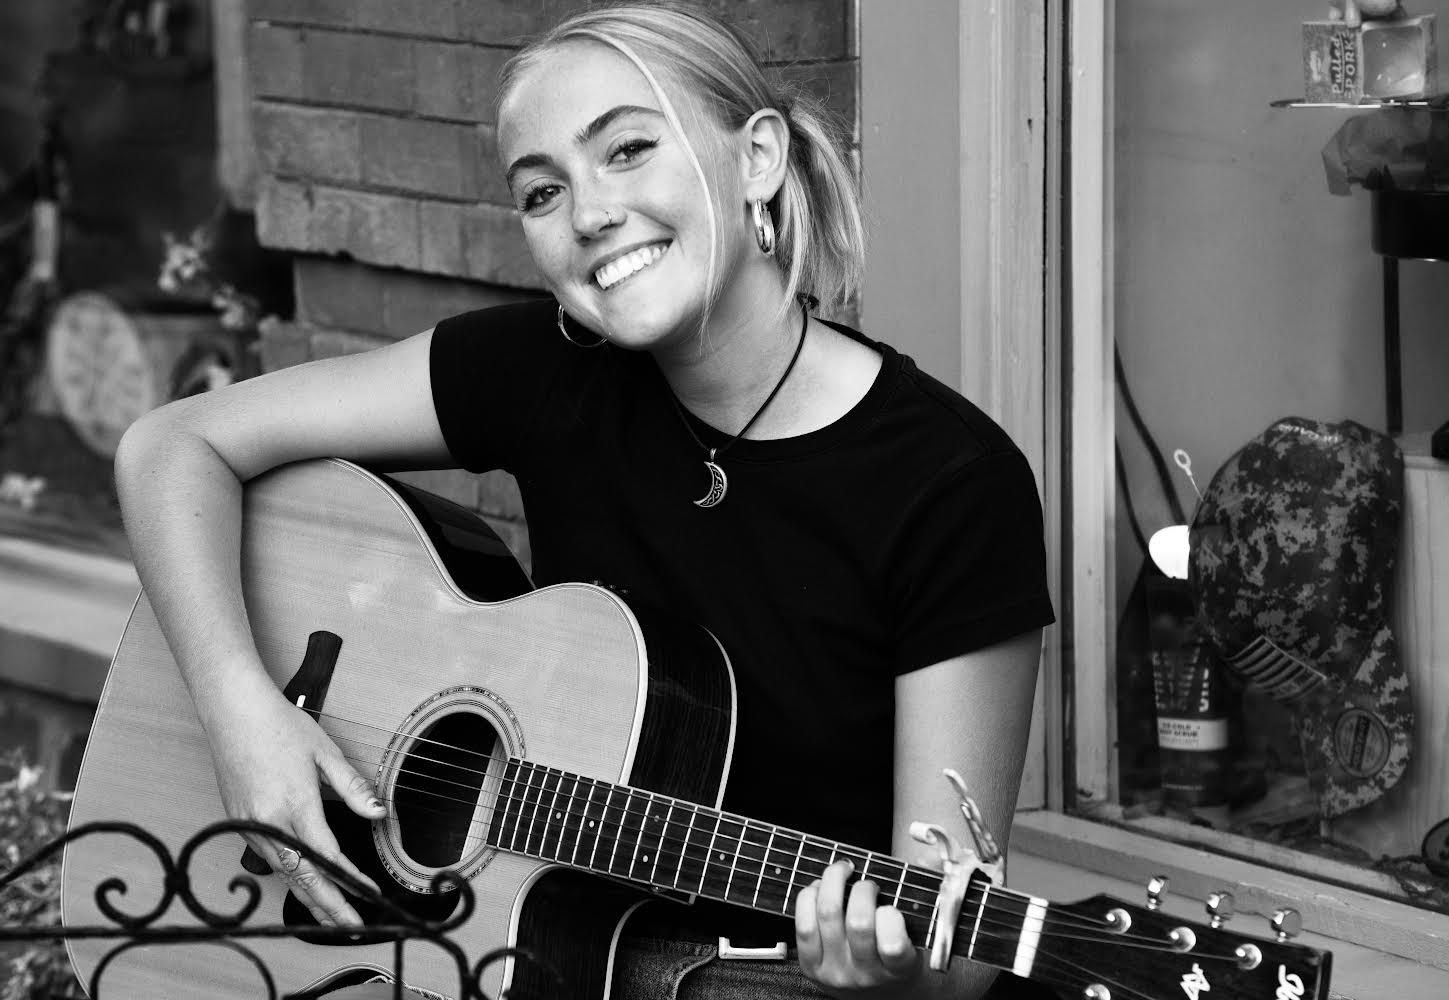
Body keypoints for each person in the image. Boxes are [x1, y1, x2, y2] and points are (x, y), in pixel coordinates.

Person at [113, 2, 1054, 998]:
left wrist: (885, 973)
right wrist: (241, 711)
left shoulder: (950, 483)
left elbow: (959, 968)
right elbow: (170, 445)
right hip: (540, 953)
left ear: (758, 159)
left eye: (628, 150)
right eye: (541, 192)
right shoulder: (543, 369)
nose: (589, 214)